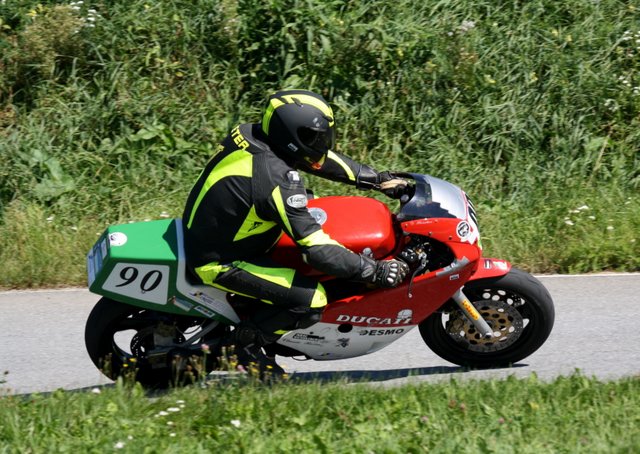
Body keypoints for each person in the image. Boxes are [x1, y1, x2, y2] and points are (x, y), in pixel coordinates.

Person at [182, 89, 410, 375]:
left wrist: (375, 179)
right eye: (313, 137)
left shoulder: (250, 134)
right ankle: (242, 347)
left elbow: (315, 158)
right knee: (311, 300)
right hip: (221, 260)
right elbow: (318, 251)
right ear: (289, 134)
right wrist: (373, 271)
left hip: (227, 228)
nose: (321, 143)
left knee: (310, 205)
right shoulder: (277, 179)